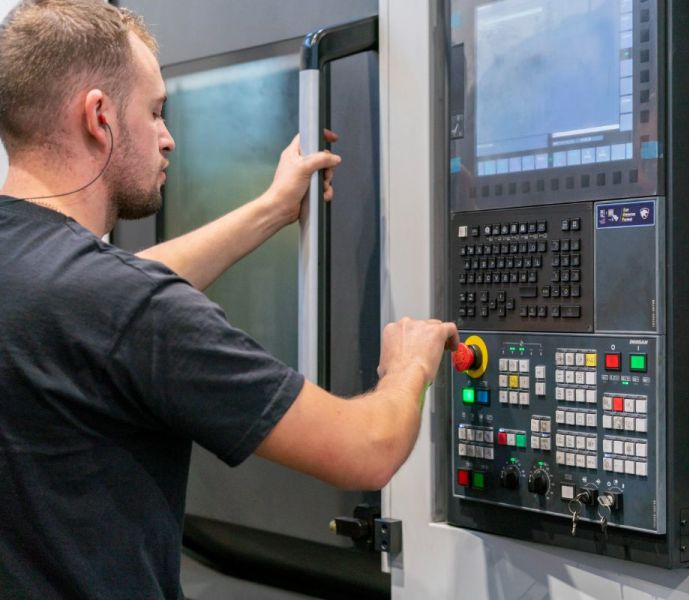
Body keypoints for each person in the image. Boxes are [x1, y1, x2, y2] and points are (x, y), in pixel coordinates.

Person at [0, 1, 459, 598]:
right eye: (155, 112)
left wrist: (271, 210)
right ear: (98, 116)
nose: (167, 139)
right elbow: (368, 451)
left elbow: (102, 295)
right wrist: (409, 365)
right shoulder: (123, 306)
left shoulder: (58, 281)